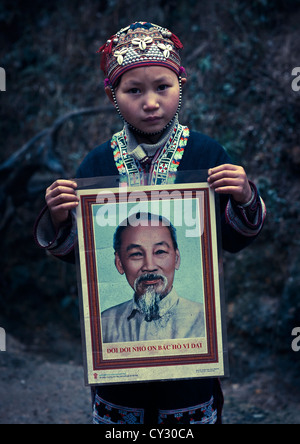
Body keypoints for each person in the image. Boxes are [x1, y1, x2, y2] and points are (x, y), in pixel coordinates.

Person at [34, 22, 266, 424]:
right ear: (113, 95)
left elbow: (232, 239)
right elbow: (85, 259)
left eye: (163, 86)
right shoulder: (96, 165)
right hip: (118, 375)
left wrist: (244, 196)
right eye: (134, 91)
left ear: (181, 86)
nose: (151, 102)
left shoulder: (207, 154)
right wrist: (59, 216)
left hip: (192, 363)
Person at [102, 212, 205, 343]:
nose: (149, 266)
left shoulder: (204, 318)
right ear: (119, 263)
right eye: (136, 254)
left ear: (177, 259)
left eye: (160, 252)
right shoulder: (104, 323)